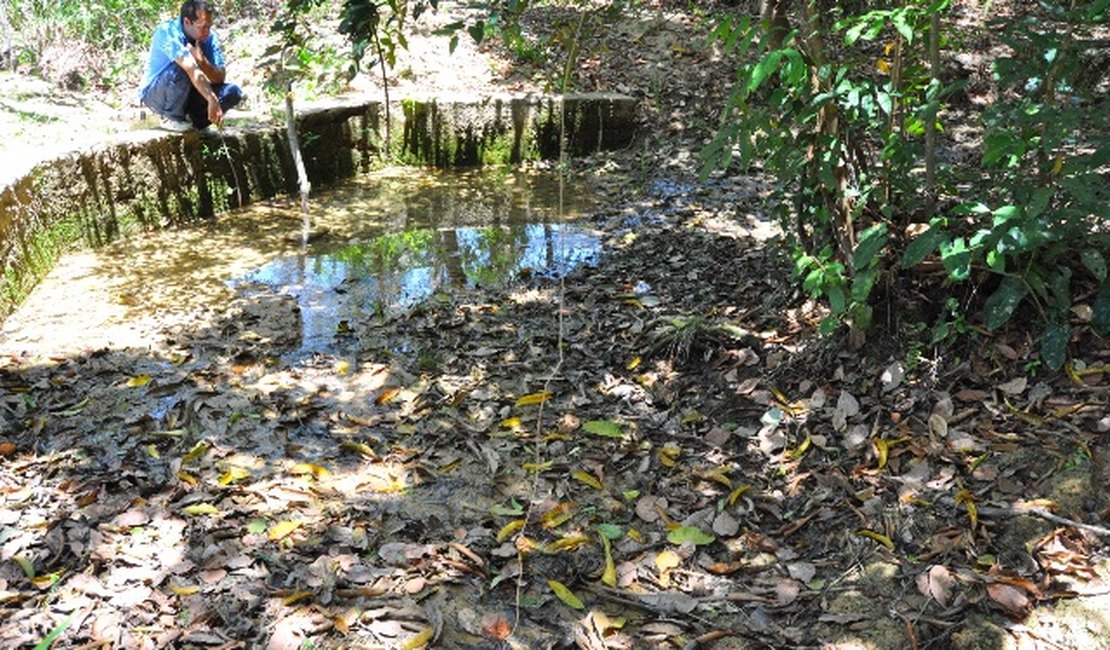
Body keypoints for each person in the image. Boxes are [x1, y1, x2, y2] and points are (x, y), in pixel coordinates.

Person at [139, 0, 242, 132]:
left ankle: (196, 123)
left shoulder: (210, 37)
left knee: (232, 92)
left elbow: (219, 78)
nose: (207, 31)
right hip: (158, 93)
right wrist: (211, 98)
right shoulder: (167, 31)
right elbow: (190, 68)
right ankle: (170, 118)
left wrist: (202, 61)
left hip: (189, 92)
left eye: (209, 26)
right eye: (203, 27)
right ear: (187, 22)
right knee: (182, 67)